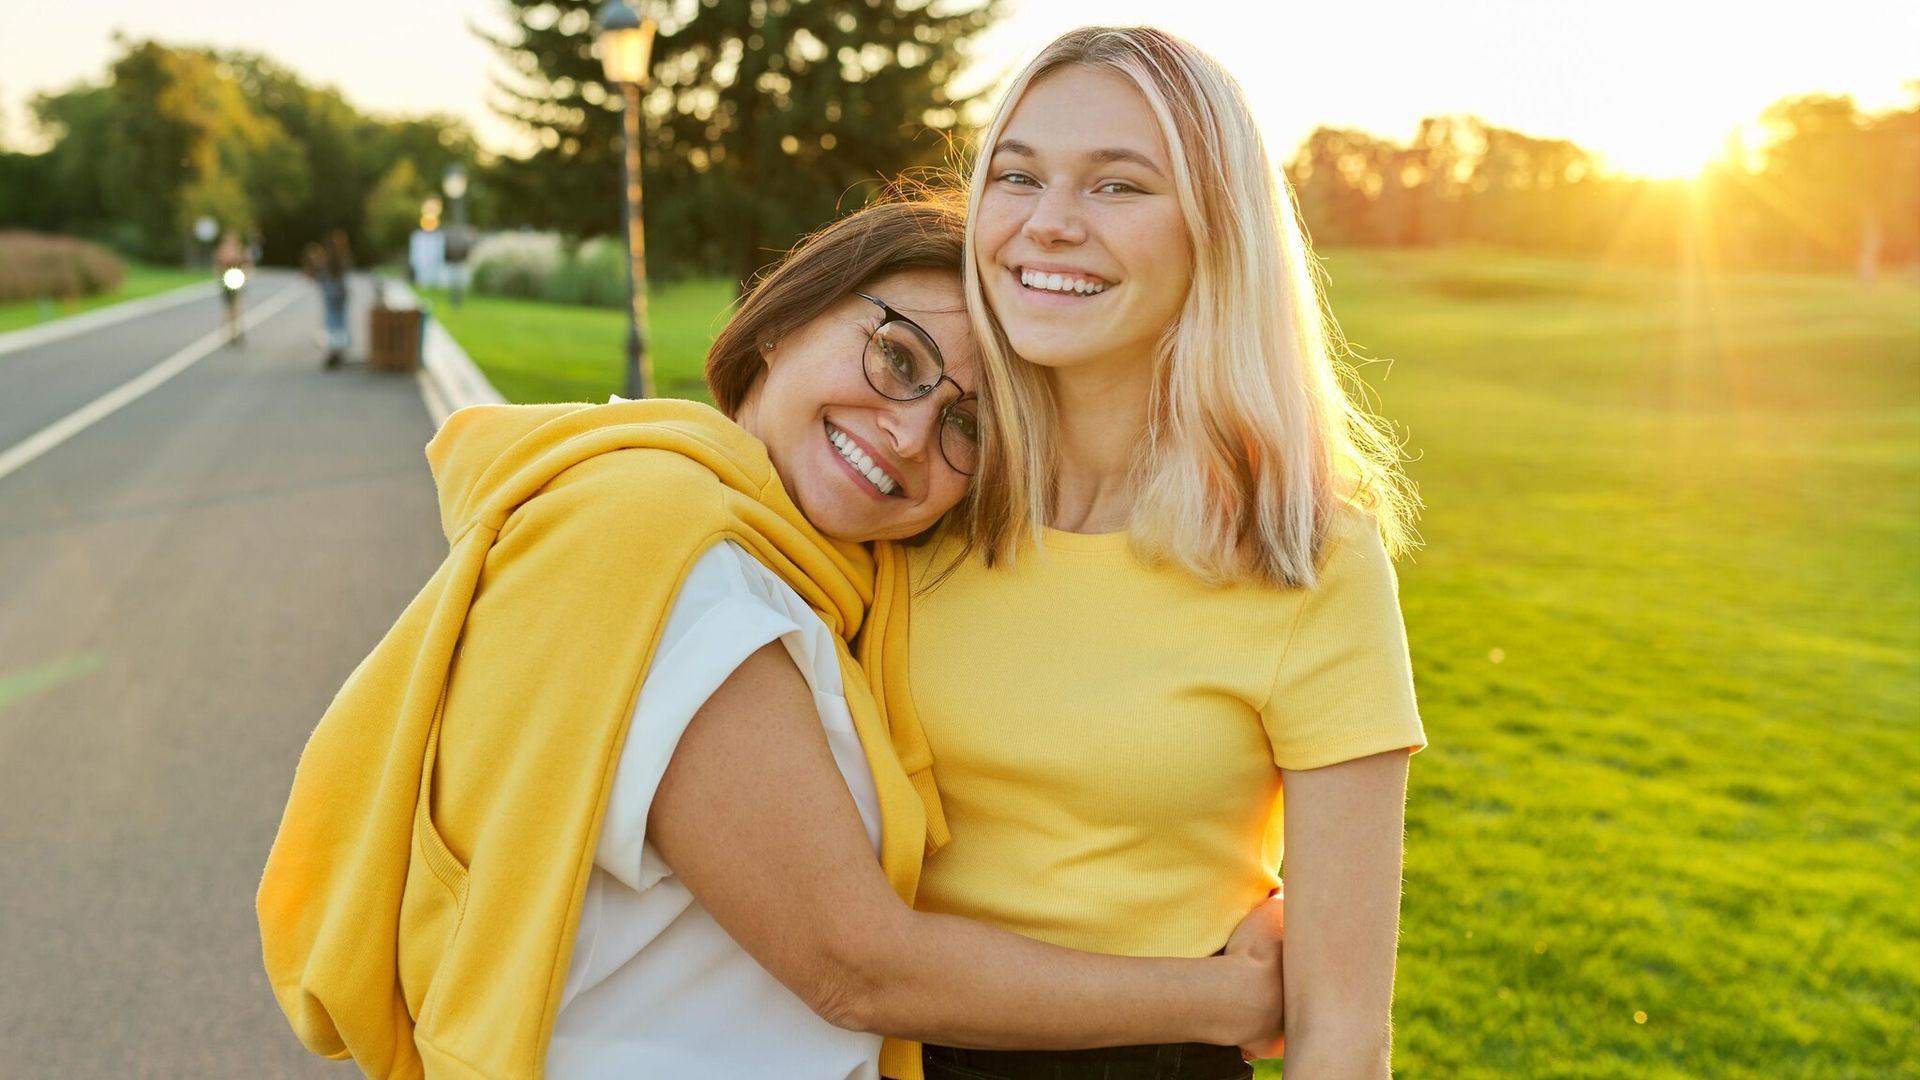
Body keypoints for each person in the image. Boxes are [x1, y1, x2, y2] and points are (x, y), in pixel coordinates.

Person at [258, 196, 1287, 1080]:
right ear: (784, 322)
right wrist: (1222, 1001)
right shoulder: (678, 554)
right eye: (897, 356)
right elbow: (856, 963)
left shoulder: (810, 577)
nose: (911, 432)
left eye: (970, 426)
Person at [902, 27, 1427, 1080]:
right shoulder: (907, 497)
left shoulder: (1307, 551)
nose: (1049, 224)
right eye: (1018, 175)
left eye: (1118, 186)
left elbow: (1336, 1029)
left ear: (1215, 232)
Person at [317, 229, 352, 368]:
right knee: (340, 321)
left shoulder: (327, 258)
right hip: (340, 293)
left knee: (332, 322)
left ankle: (333, 350)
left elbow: (322, 274)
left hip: (331, 293)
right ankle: (339, 350)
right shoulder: (344, 256)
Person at [214, 230, 250, 343]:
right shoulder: (223, 250)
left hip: (237, 279)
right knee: (229, 307)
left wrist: (246, 274)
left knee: (237, 306)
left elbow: (247, 263)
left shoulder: (240, 249)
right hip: (227, 279)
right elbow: (218, 264)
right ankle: (230, 331)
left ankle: (236, 330)